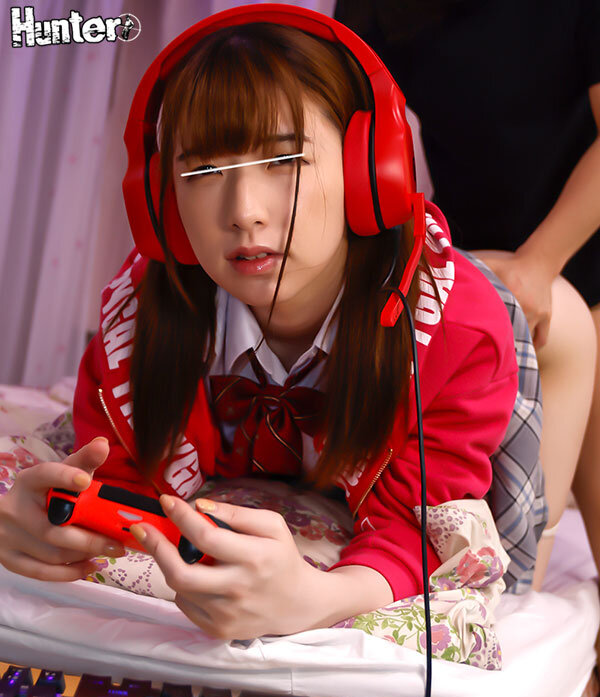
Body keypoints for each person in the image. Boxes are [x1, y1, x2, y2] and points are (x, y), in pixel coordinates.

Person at [0, 7, 522, 640]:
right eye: (201, 172)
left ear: (369, 171)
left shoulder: (453, 335)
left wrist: (318, 597)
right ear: (162, 198)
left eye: (285, 160)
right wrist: (52, 525)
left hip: (490, 338)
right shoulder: (139, 314)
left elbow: (417, 527)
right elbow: (122, 483)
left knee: (522, 547)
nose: (244, 212)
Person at [334, 0, 600, 587]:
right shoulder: (376, 9)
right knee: (485, 555)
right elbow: (342, 130)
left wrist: (540, 262)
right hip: (474, 268)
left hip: (576, 247)